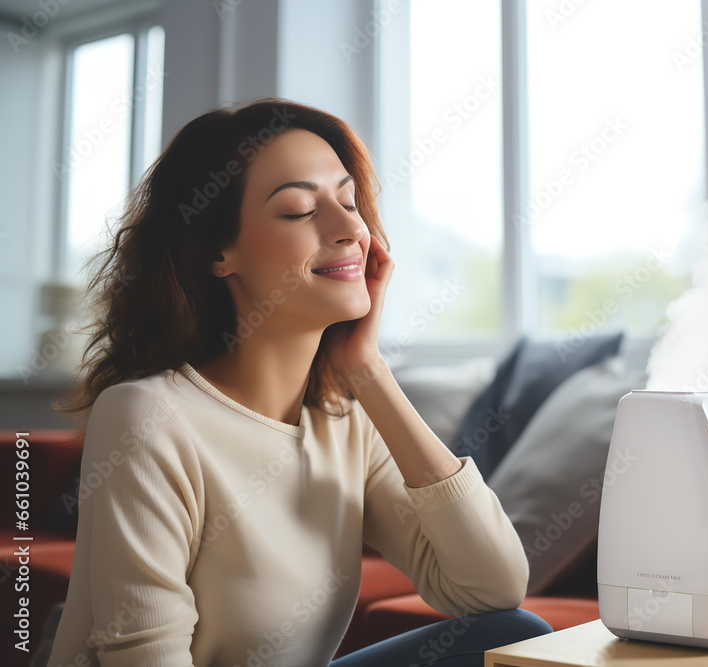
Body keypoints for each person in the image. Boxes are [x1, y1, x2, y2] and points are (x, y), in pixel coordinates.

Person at [43, 98, 552, 667]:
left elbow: (492, 589)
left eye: (349, 200)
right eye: (298, 210)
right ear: (218, 251)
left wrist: (369, 372)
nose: (348, 229)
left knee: (514, 633)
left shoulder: (345, 421)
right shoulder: (148, 415)